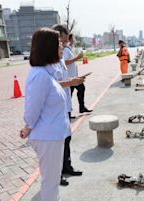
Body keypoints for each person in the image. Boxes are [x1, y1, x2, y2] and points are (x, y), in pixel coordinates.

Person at [20, 27, 82, 201]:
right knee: (50, 178)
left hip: (54, 132)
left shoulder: (48, 71)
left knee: (54, 175)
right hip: (47, 135)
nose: (62, 47)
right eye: (58, 44)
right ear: (48, 48)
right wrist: (28, 126)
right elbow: (32, 109)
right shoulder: (40, 75)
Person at [52, 25, 84, 186]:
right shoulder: (48, 63)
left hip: (65, 104)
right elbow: (50, 84)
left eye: (64, 42)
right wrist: (71, 82)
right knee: (59, 141)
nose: (64, 45)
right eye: (61, 42)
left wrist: (73, 81)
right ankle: (57, 173)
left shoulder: (59, 60)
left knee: (67, 137)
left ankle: (67, 166)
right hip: (57, 108)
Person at [66, 33, 92, 114]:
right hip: (69, 78)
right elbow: (65, 62)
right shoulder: (66, 50)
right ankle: (68, 113)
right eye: (73, 38)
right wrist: (77, 58)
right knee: (68, 95)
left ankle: (82, 107)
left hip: (74, 76)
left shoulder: (70, 49)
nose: (74, 40)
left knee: (81, 88)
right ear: (69, 39)